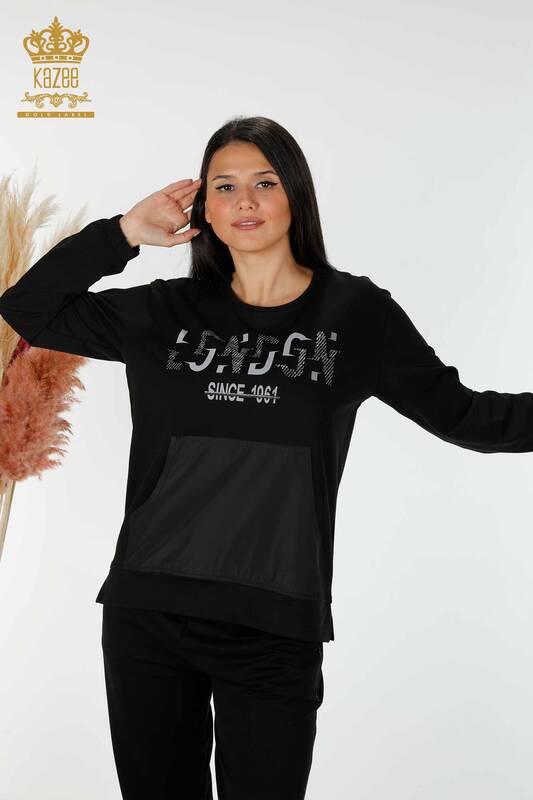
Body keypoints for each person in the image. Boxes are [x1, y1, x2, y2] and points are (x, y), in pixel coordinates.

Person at [2, 115, 533, 800]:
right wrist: (125, 232)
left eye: (265, 182)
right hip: (149, 614)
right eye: (224, 186)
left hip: (274, 625)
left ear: (296, 196)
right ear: (204, 207)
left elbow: (467, 416)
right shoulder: (162, 313)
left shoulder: (356, 315)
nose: (244, 201)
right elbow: (28, 308)